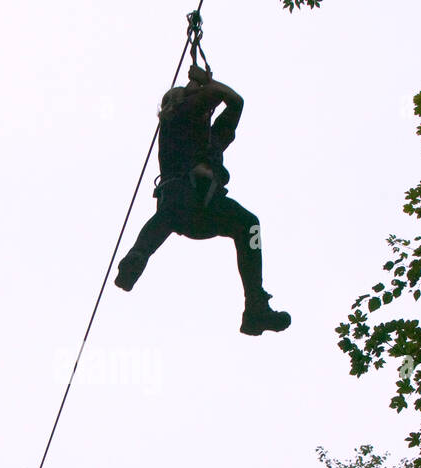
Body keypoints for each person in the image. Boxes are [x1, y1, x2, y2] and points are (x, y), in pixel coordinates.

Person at [114, 63, 291, 336]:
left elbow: (235, 102)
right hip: (181, 198)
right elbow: (210, 99)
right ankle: (137, 257)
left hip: (207, 207)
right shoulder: (176, 118)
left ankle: (255, 304)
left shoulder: (212, 137)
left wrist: (206, 82)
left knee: (250, 225)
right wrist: (204, 84)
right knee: (170, 213)